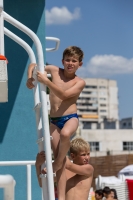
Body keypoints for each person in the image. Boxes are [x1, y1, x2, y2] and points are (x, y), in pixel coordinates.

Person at [26, 46, 85, 199]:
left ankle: (58, 162)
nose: (70, 63)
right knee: (61, 160)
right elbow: (33, 65)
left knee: (65, 135)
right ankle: (61, 196)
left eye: (74, 61)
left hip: (70, 118)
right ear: (62, 61)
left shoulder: (80, 82)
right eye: (68, 60)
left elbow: (64, 95)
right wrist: (30, 78)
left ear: (80, 64)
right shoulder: (54, 70)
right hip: (54, 120)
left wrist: (47, 81)